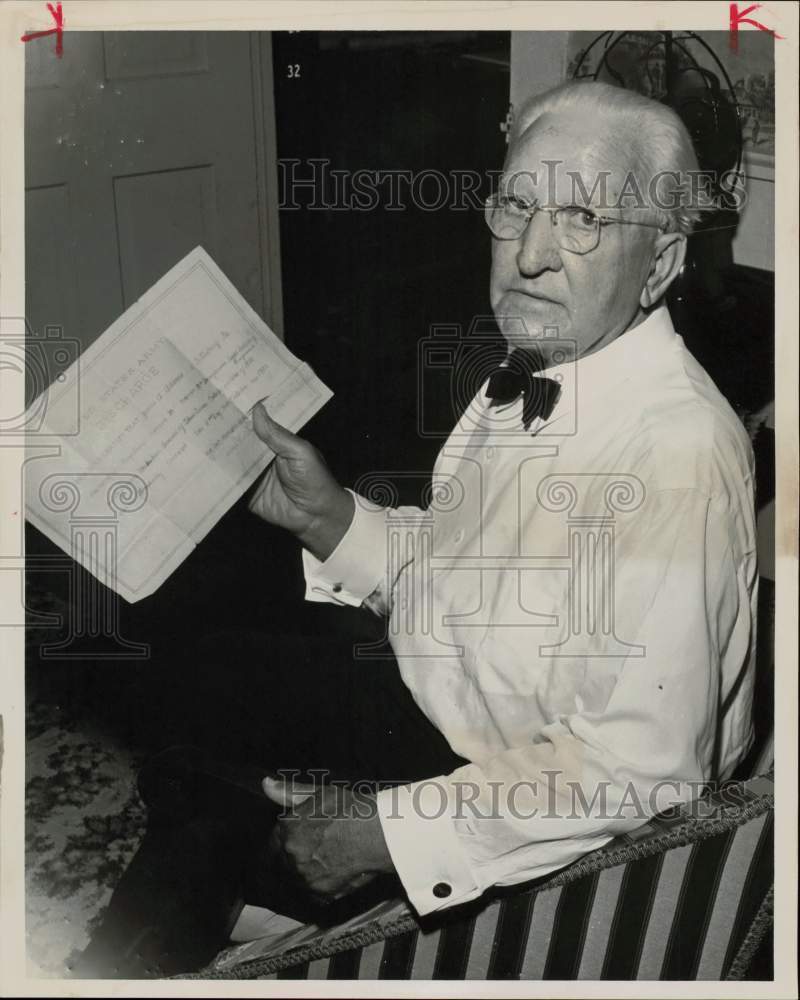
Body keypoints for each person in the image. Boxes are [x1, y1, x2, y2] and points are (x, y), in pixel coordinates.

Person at [75, 79, 757, 976]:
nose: (533, 254)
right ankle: (231, 906)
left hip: (538, 806)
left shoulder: (675, 453)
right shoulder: (540, 360)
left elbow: (638, 774)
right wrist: (329, 517)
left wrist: (386, 833)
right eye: (516, 205)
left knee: (205, 808)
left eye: (584, 218)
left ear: (662, 263)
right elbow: (453, 571)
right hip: (453, 695)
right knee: (196, 672)